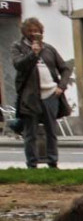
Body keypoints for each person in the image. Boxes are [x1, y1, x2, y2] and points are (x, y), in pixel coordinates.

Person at [11, 17, 72, 169]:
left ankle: (53, 162)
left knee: (51, 131)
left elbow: (64, 68)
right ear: (25, 32)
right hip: (30, 97)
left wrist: (61, 87)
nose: (34, 34)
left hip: (51, 94)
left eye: (37, 31)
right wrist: (33, 53)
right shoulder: (18, 47)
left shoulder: (49, 49)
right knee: (30, 133)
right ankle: (32, 164)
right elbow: (19, 65)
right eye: (31, 31)